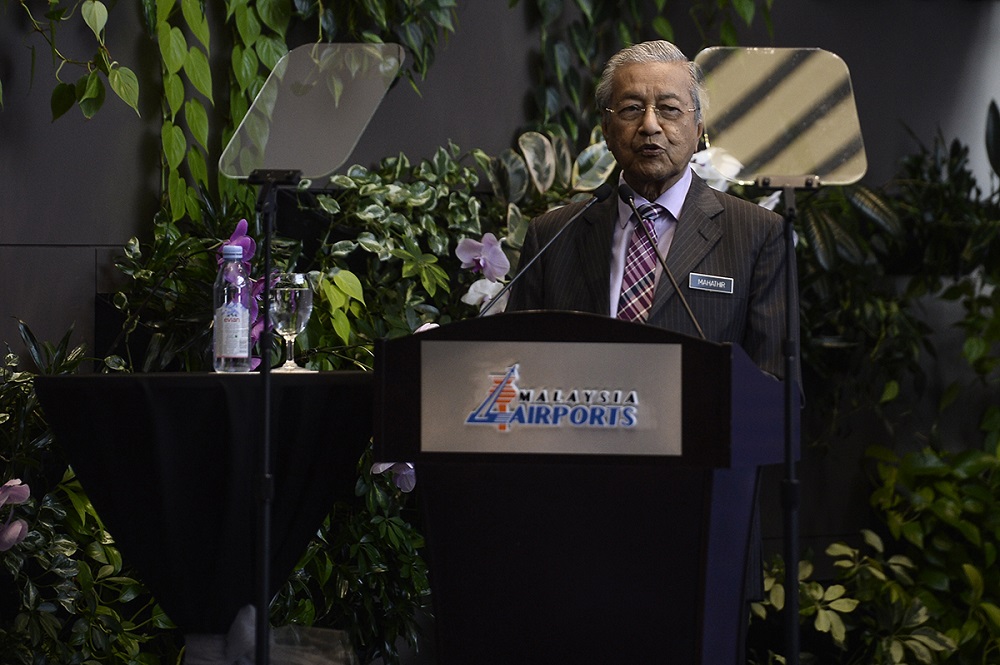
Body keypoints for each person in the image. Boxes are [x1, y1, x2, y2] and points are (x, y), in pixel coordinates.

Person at [506, 39, 797, 381]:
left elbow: (775, 383)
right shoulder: (552, 234)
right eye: (631, 109)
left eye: (669, 109)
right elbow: (517, 364)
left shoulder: (757, 234)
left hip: (700, 430)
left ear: (699, 129)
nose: (649, 125)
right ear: (606, 130)